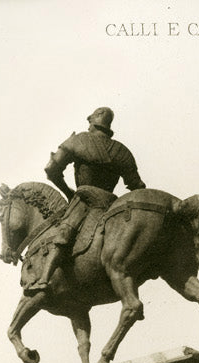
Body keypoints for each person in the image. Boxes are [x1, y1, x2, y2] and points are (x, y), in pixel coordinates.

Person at [31, 106, 145, 294]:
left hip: (84, 200)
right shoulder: (122, 151)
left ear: (97, 119)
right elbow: (137, 186)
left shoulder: (79, 140)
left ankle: (45, 278)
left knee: (64, 232)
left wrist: (68, 191)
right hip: (110, 204)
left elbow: (51, 169)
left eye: (90, 117)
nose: (88, 119)